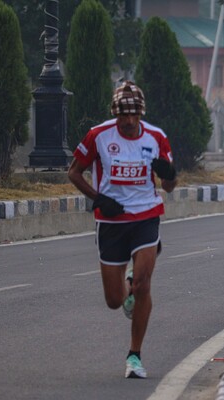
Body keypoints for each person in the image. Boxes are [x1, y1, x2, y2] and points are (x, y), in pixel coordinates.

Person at [68, 81, 177, 379]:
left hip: (146, 215)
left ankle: (134, 356)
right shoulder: (98, 135)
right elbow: (73, 172)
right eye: (122, 116)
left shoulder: (156, 137)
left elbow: (168, 184)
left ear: (141, 113)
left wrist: (169, 176)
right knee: (114, 301)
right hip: (111, 221)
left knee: (143, 284)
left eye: (134, 115)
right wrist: (98, 198)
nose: (128, 122)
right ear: (115, 114)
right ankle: (127, 283)